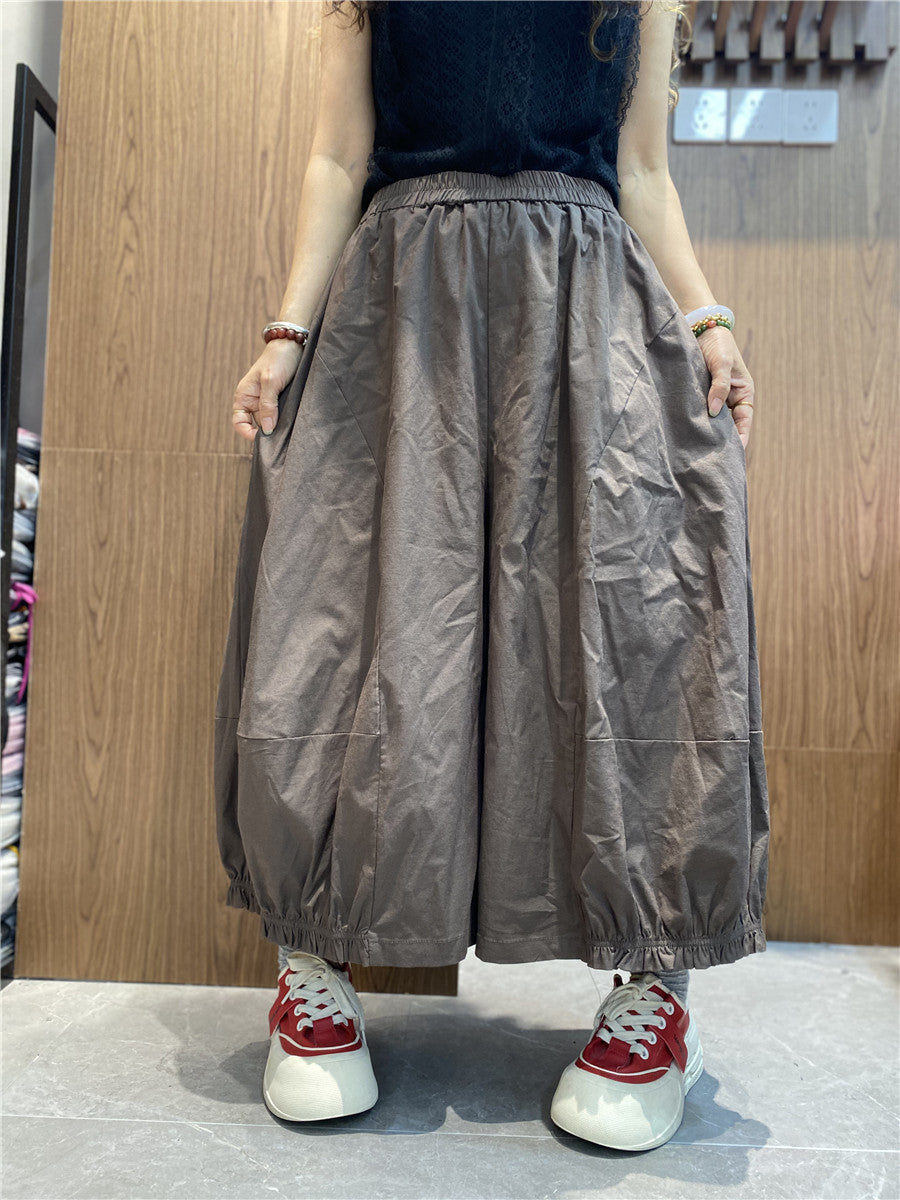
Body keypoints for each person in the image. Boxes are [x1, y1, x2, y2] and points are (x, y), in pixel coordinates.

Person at [214, 0, 770, 1152]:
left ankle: (655, 984)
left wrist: (709, 318)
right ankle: (313, 966)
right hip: (400, 303)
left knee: (626, 619)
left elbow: (642, 173)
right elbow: (338, 156)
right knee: (351, 620)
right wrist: (287, 332)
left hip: (585, 300)